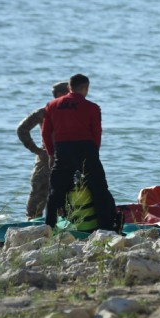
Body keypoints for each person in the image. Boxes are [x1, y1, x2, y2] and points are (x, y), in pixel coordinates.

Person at [41, 74, 118, 231]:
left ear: (69, 87)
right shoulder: (92, 107)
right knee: (100, 190)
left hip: (63, 150)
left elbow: (45, 133)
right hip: (86, 150)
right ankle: (106, 228)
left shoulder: (52, 105)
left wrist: (51, 153)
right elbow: (96, 133)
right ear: (86, 88)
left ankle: (48, 227)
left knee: (55, 192)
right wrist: (94, 154)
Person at [17, 81, 69, 219]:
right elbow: (22, 129)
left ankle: (63, 219)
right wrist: (35, 149)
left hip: (67, 155)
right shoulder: (44, 111)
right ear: (60, 94)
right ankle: (32, 221)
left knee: (67, 190)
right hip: (46, 155)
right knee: (39, 189)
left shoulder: (73, 111)